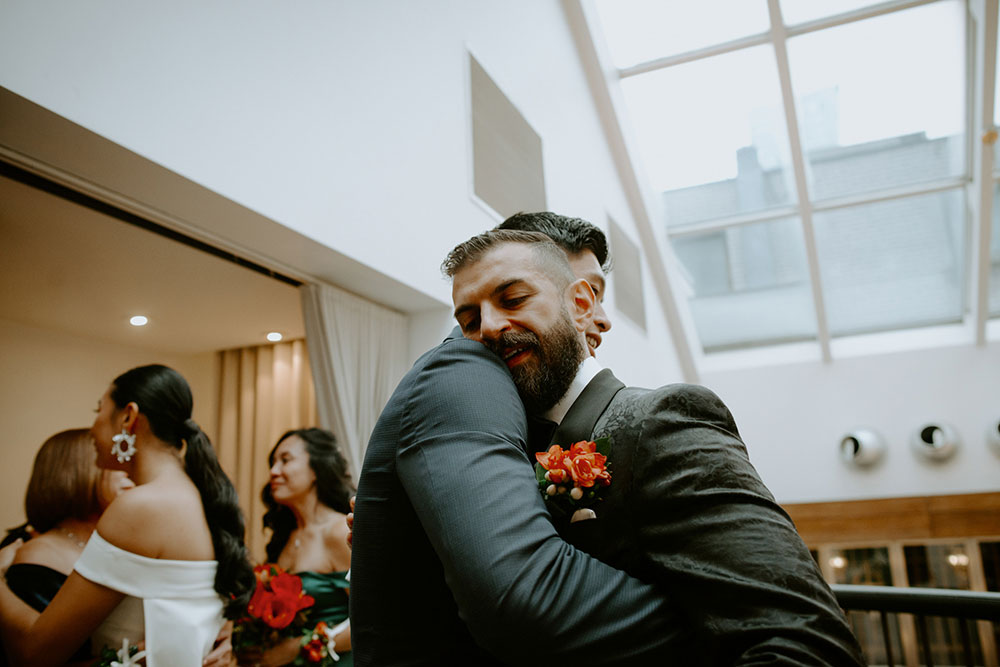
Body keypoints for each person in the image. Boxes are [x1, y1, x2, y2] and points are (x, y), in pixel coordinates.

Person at [441, 229, 865, 665]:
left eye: (512, 300)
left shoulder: (663, 422)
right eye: (470, 321)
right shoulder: (499, 456)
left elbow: (805, 645)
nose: (489, 327)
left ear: (581, 306)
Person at [0, 364, 256, 666]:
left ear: (128, 417)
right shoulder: (198, 496)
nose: (93, 428)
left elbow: (37, 652)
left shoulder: (141, 506)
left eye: (98, 410)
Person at [1, 429, 133, 663]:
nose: (131, 473)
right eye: (117, 462)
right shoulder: (38, 555)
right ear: (77, 470)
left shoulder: (125, 543)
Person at [239, 428, 353, 666]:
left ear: (315, 469)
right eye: (272, 463)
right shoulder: (285, 538)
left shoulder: (339, 532)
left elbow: (374, 617)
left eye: (285, 460)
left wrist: (301, 646)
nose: (273, 472)